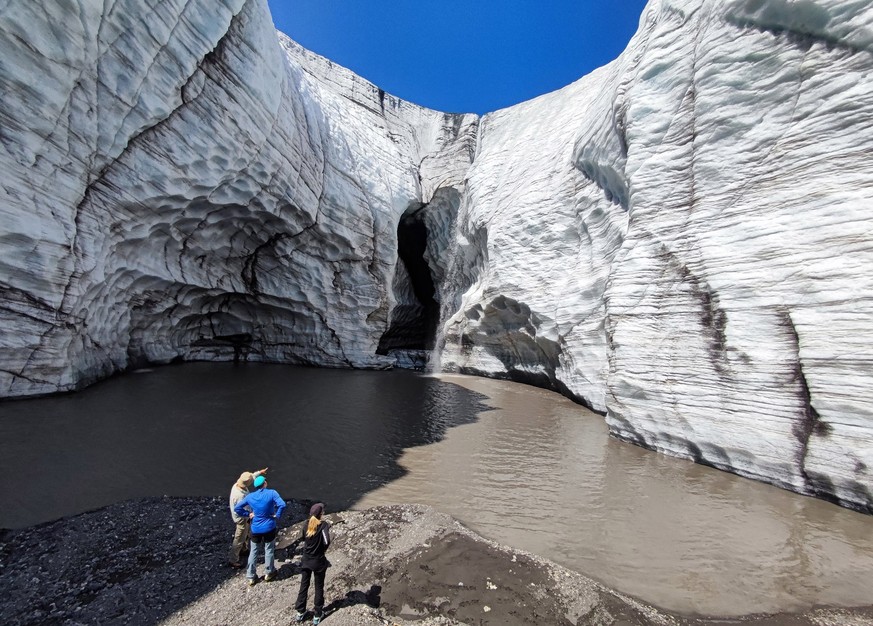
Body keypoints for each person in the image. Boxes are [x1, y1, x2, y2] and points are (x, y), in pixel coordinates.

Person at [234, 474, 286, 585]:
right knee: (269, 550)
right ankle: (269, 572)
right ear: (265, 483)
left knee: (253, 551)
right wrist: (277, 515)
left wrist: (247, 514)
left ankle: (251, 576)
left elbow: (237, 508)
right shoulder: (272, 493)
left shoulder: (250, 496)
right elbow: (282, 504)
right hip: (269, 527)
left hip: (256, 528)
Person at [294, 503, 331, 624]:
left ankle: (300, 612)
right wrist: (322, 551)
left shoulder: (306, 525)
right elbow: (327, 541)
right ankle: (318, 613)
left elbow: (304, 538)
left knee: (304, 585)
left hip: (306, 560)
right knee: (318, 587)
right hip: (318, 561)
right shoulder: (323, 525)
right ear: (320, 514)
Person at [228, 467, 268, 568]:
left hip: (243, 515)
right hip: (241, 518)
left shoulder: (238, 486)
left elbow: (251, 477)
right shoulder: (239, 496)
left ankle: (244, 549)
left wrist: (260, 472)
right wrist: (249, 514)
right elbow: (241, 509)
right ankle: (233, 559)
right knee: (239, 537)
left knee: (246, 533)